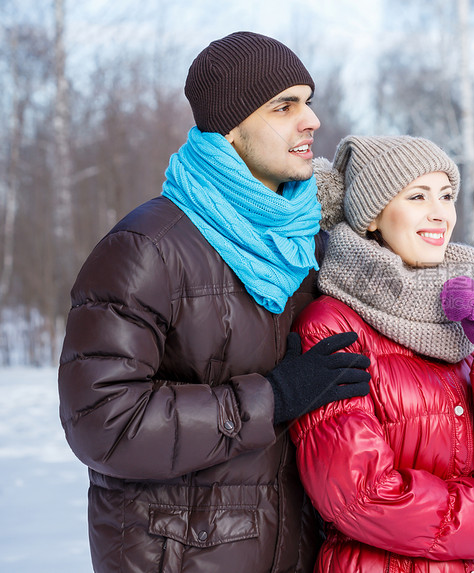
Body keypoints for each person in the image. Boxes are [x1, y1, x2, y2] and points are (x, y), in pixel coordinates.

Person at [57, 32, 370, 573]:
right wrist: (273, 397)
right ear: (230, 127)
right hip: (181, 555)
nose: (311, 120)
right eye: (284, 106)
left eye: (309, 101)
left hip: (298, 551)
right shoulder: (145, 250)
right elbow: (102, 422)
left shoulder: (308, 245)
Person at [290, 135, 474, 572]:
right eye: (417, 196)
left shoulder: (453, 321)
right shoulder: (331, 324)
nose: (439, 213)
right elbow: (359, 496)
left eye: (446, 195)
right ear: (373, 217)